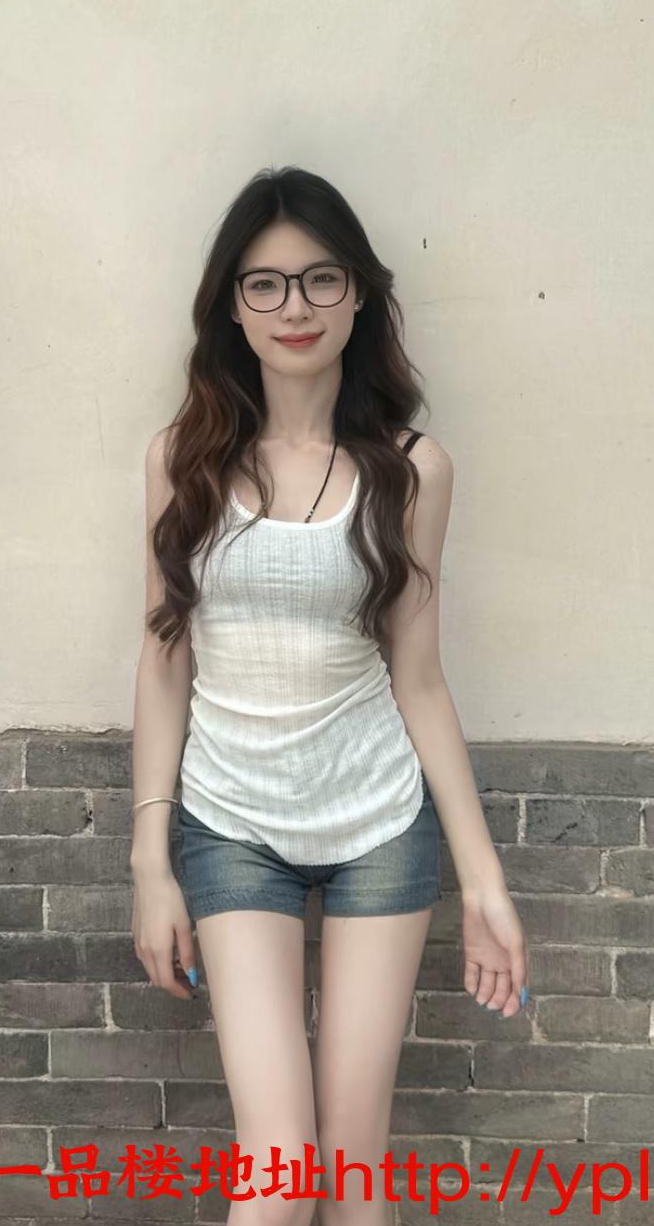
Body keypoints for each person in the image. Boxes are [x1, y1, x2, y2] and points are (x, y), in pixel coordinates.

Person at [130, 165, 529, 1226]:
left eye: (320, 278)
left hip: (378, 823)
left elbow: (420, 679)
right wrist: (149, 860)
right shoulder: (183, 460)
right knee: (280, 1177)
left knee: (354, 1178)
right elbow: (164, 659)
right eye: (264, 284)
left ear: (359, 293)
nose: (294, 306)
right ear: (232, 305)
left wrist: (484, 882)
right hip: (231, 821)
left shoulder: (412, 469)